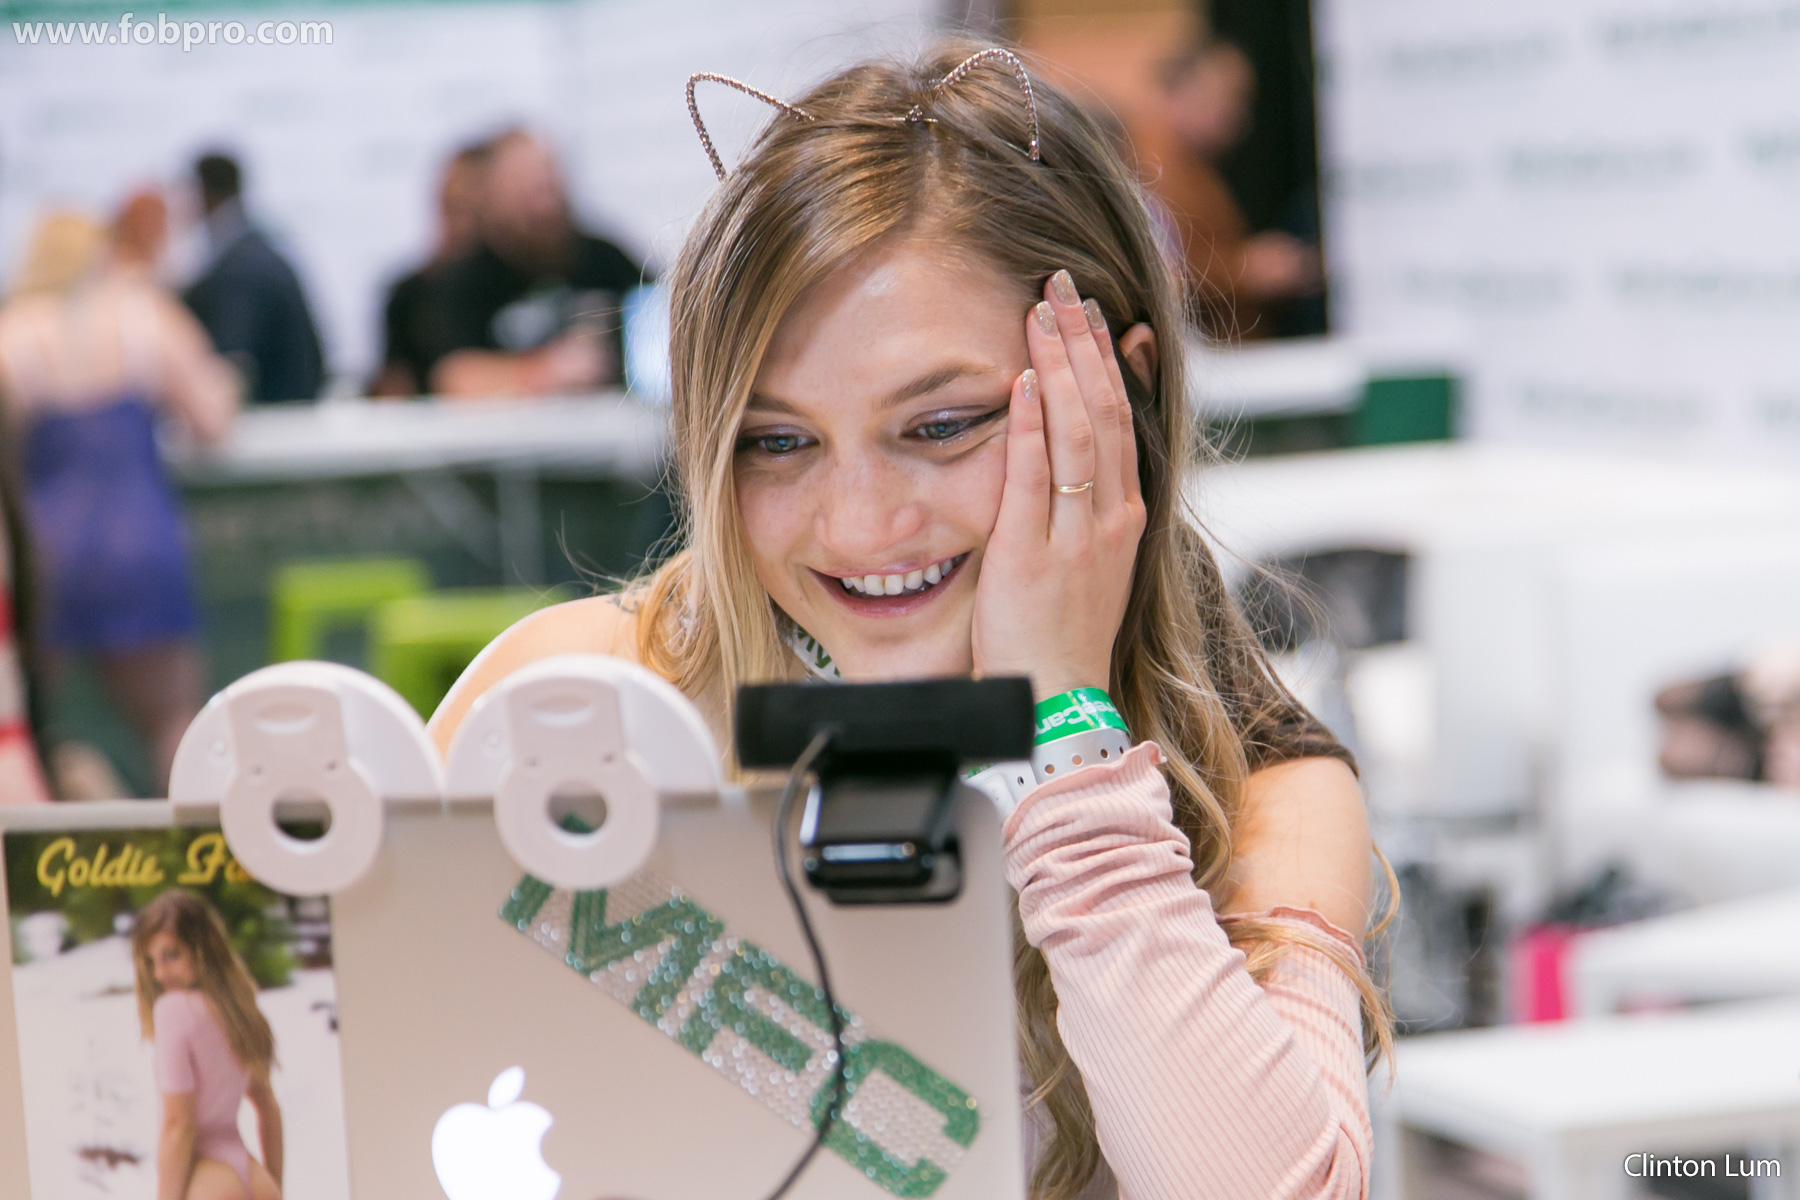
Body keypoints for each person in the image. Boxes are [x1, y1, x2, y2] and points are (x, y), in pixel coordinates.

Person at [433, 43, 1390, 1199]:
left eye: (940, 426)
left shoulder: (1253, 789)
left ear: (1120, 394)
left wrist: (1065, 743)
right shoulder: (578, 709)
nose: (858, 524)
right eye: (776, 441)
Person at [0, 207, 239, 796]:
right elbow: (211, 421)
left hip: (45, 552)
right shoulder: (145, 318)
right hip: (137, 540)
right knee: (171, 724)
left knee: (28, 727)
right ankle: (193, 844)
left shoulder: (14, 334)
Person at [425, 130, 646, 398]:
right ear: (495, 192)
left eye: (547, 177)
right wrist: (544, 371)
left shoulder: (604, 258)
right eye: (524, 183)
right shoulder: (469, 276)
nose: (542, 198)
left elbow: (662, 320)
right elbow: (453, 376)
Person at [1133, 40, 1323, 339]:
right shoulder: (1151, 164)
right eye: (1228, 100)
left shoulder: (1189, 164)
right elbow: (1162, 271)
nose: (1239, 117)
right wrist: (1249, 270)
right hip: (1201, 349)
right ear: (1183, 91)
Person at [132, 889, 283, 1200]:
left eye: (171, 955)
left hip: (208, 1180)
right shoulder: (239, 1012)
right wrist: (275, 1186)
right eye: (151, 961)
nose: (160, 973)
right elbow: (267, 1106)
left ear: (202, 949)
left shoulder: (174, 1010)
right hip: (256, 1180)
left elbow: (180, 1126)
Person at [182, 153, 326, 403]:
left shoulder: (241, 267)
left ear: (202, 192)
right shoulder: (252, 249)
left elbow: (234, 363)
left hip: (275, 415)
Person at [370, 140, 493, 397]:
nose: (458, 224)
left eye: (470, 210)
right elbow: (393, 389)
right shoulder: (410, 293)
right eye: (452, 207)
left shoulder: (517, 282)